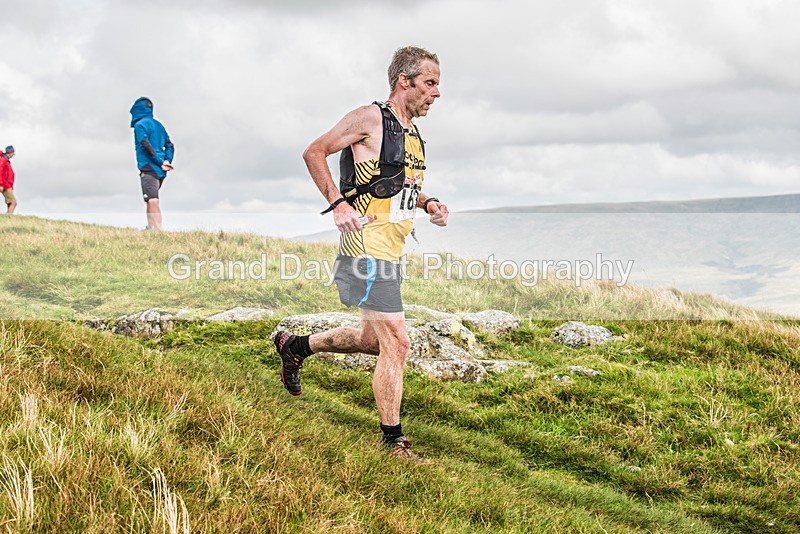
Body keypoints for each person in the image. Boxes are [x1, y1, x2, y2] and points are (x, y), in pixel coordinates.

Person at [274, 46, 448, 464]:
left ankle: (296, 347)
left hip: (391, 249)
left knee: (374, 340)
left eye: (438, 85)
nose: (437, 93)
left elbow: (396, 184)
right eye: (430, 83)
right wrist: (337, 204)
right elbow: (314, 151)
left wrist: (428, 203)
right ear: (403, 81)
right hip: (364, 248)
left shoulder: (412, 134)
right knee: (398, 344)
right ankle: (394, 443)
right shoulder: (371, 118)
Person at [129, 97, 174, 230]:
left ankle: (157, 229)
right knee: (150, 198)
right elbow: (170, 145)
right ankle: (151, 227)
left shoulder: (140, 125)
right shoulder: (159, 125)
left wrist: (160, 162)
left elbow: (145, 144)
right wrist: (167, 161)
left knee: (153, 199)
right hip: (161, 170)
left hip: (149, 167)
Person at [0, 145, 16, 215]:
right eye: (13, 152)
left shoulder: (6, 160)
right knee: (13, 202)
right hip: (5, 185)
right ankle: (8, 218)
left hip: (7, 185)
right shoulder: (3, 160)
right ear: (10, 152)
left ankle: (8, 217)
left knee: (10, 202)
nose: (14, 154)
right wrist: (0, 184)